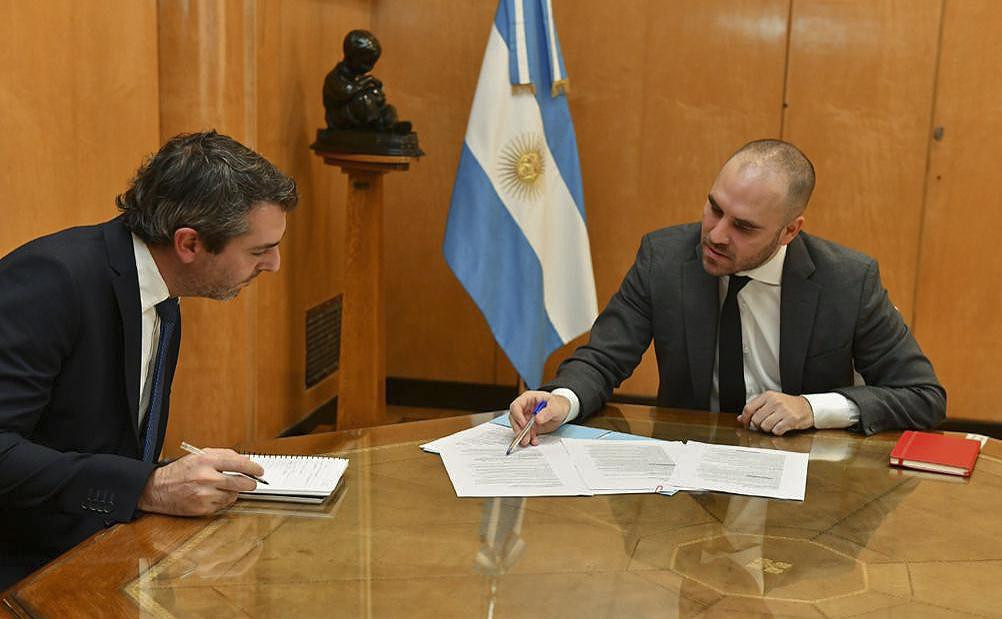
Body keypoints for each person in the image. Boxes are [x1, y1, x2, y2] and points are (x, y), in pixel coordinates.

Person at [0, 131, 298, 588]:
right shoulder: (53, 281)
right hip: (28, 566)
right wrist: (147, 486)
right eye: (259, 250)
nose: (274, 264)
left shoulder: (161, 289)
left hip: (108, 549)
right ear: (189, 244)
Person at [509, 139, 945, 444]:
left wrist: (812, 409)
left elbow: (922, 397)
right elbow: (604, 358)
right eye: (714, 209)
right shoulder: (663, 258)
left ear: (789, 230)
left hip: (805, 483)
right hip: (686, 465)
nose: (716, 235)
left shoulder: (847, 281)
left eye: (744, 227)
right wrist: (561, 400)